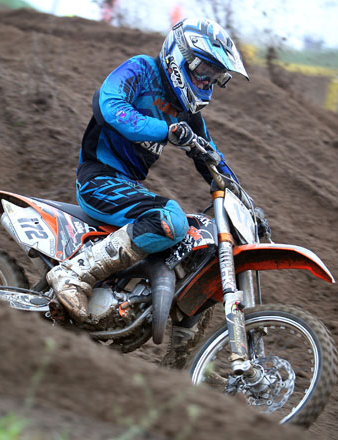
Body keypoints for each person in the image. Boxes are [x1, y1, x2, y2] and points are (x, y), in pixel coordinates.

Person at [47, 18, 263, 327]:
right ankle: (74, 274)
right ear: (181, 57)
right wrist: (167, 130)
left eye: (214, 77)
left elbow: (212, 158)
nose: (206, 83)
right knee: (170, 219)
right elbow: (110, 106)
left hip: (126, 186)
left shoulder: (187, 113)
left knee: (198, 236)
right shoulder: (141, 70)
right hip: (99, 179)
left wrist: (246, 201)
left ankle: (179, 367)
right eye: (203, 72)